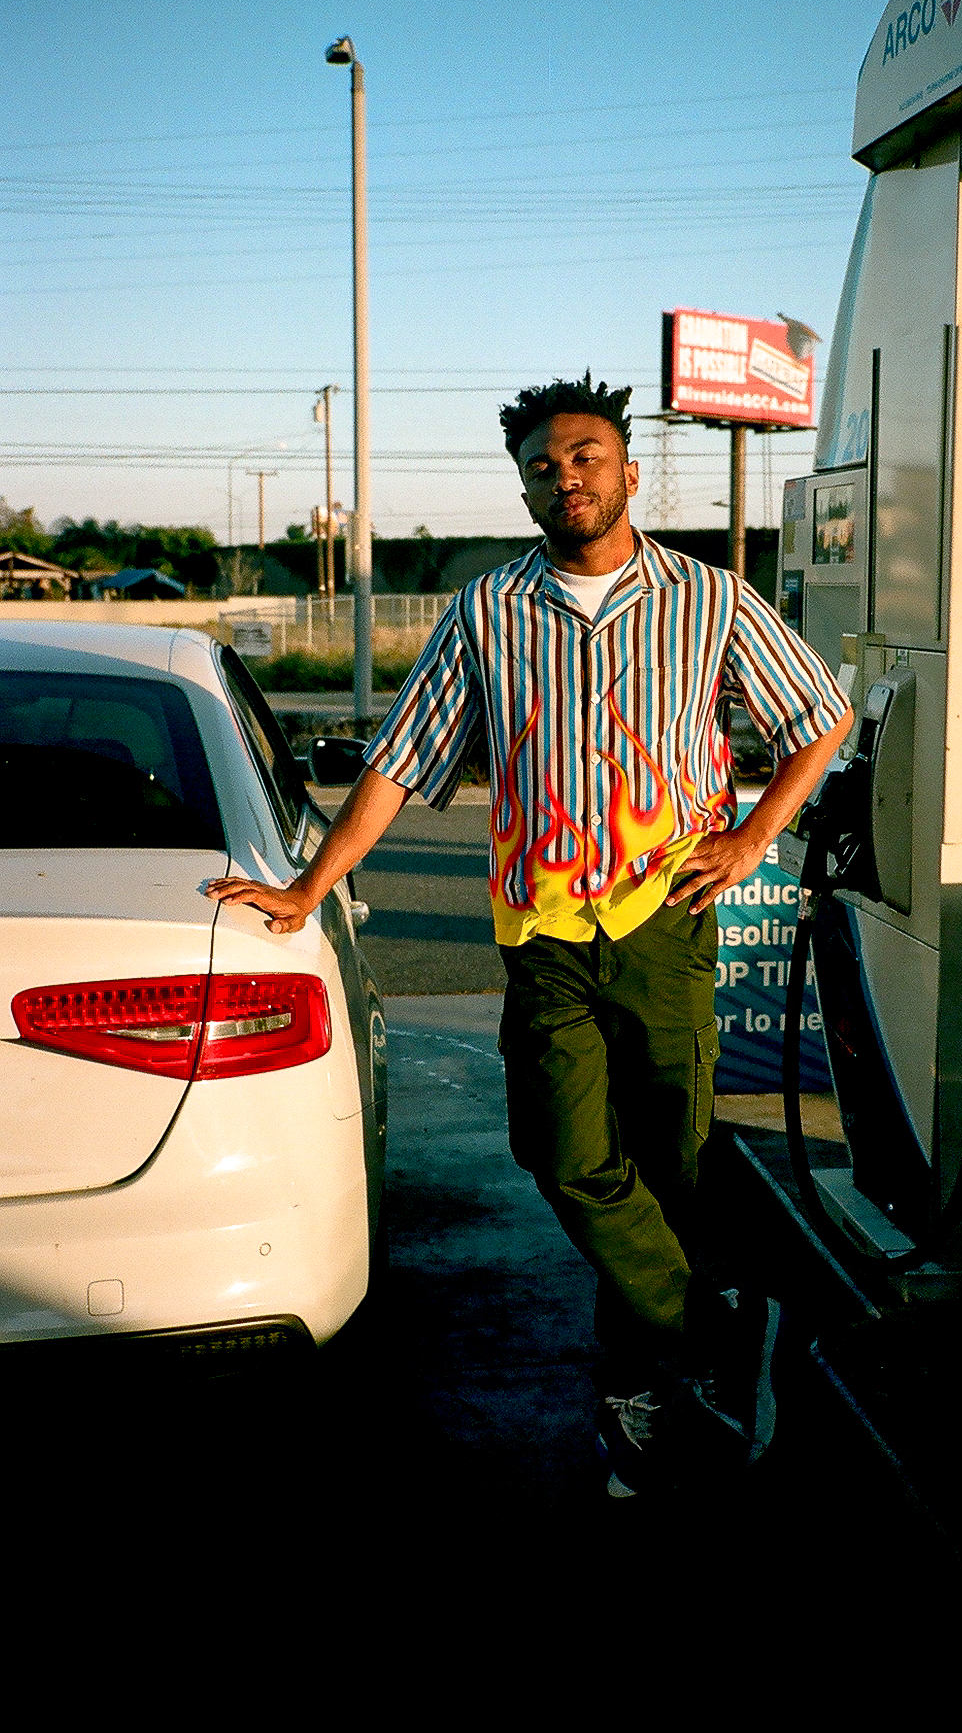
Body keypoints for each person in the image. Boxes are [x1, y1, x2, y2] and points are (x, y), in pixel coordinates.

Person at [205, 373, 851, 1496]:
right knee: (562, 1154)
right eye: (544, 467)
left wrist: (749, 841)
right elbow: (402, 759)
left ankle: (642, 1387)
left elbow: (818, 714)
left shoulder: (712, 600)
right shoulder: (486, 611)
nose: (568, 478)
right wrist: (309, 889)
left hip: (665, 922)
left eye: (587, 456)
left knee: (665, 1167)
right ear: (524, 490)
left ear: (630, 471)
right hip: (540, 933)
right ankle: (713, 1332)